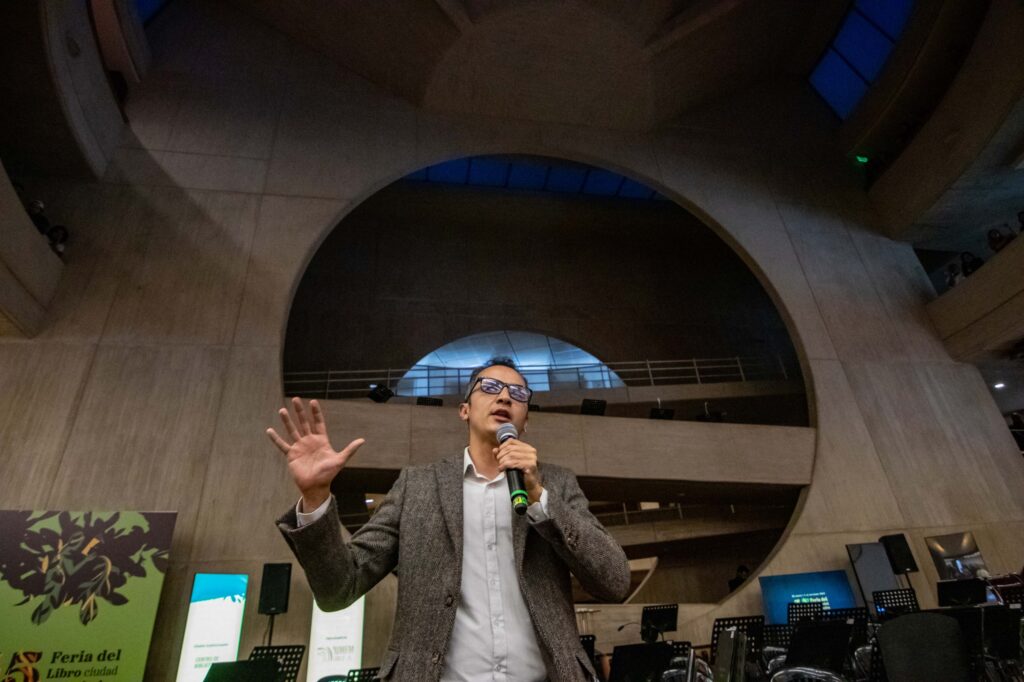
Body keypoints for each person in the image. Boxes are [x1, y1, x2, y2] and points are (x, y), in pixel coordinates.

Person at [268, 358, 631, 681]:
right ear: (464, 410)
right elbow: (338, 588)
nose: (504, 397)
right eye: (489, 387)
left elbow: (614, 581)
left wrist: (542, 501)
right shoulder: (418, 486)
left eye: (518, 393)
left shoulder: (558, 484)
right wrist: (316, 496)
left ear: (526, 420)